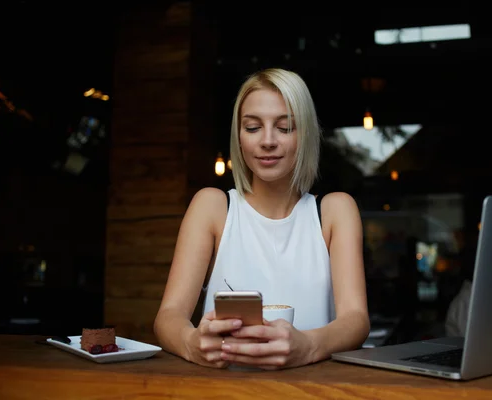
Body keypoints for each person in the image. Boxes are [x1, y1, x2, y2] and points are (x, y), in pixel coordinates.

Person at [153, 68, 370, 370]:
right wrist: (191, 344)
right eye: (253, 128)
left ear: (304, 134)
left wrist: (307, 346)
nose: (267, 141)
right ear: (239, 137)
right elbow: (169, 316)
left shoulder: (335, 211)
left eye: (285, 128)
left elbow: (356, 320)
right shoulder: (213, 207)